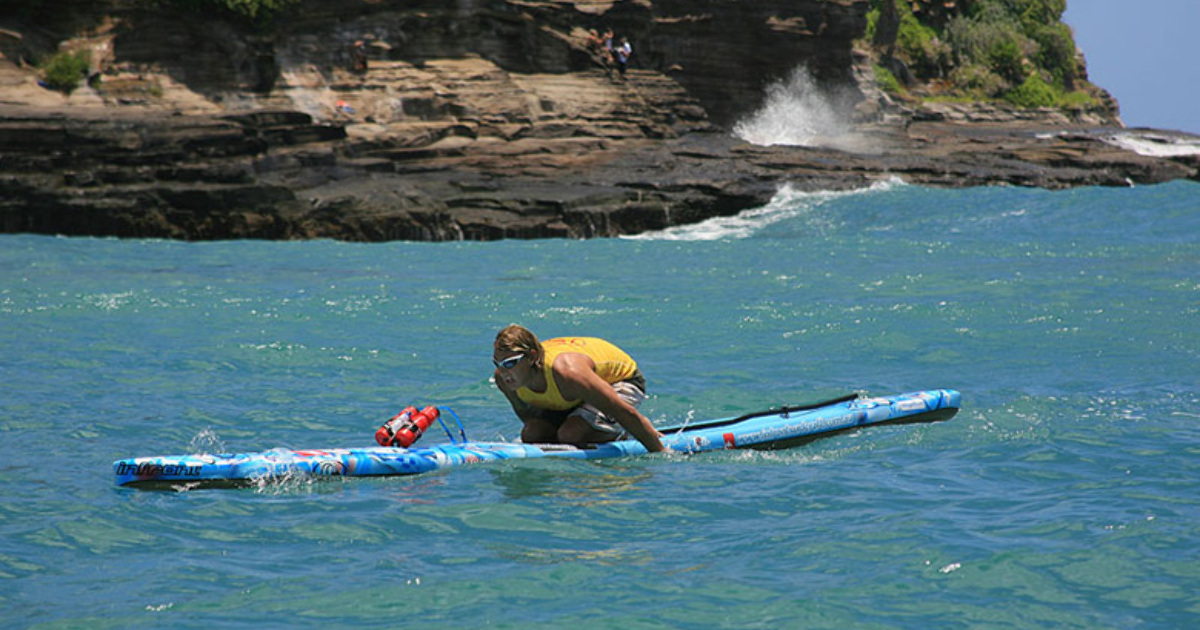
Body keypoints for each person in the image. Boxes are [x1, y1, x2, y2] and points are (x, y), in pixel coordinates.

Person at [492, 324, 667, 453]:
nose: (504, 372)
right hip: (575, 392)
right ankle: (589, 425)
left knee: (571, 434)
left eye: (510, 363)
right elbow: (530, 419)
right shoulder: (504, 379)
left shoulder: (569, 373)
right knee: (532, 434)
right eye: (498, 364)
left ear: (532, 358)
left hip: (621, 380)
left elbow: (622, 412)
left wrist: (660, 451)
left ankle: (622, 434)